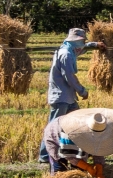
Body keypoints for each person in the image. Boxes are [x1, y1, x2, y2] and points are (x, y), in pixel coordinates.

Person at [40, 28, 105, 163]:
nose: (82, 43)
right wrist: (82, 91)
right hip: (61, 97)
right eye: (81, 40)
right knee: (53, 128)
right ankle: (45, 156)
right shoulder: (66, 54)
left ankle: (78, 152)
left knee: (77, 123)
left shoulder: (70, 50)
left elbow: (83, 48)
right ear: (76, 41)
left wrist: (94, 45)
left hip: (68, 97)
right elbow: (69, 77)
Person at [41, 108, 113, 178]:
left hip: (73, 140)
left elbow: (98, 151)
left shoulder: (98, 129)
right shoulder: (71, 131)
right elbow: (70, 156)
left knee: (79, 171)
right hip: (55, 136)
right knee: (59, 169)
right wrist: (88, 167)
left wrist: (99, 173)